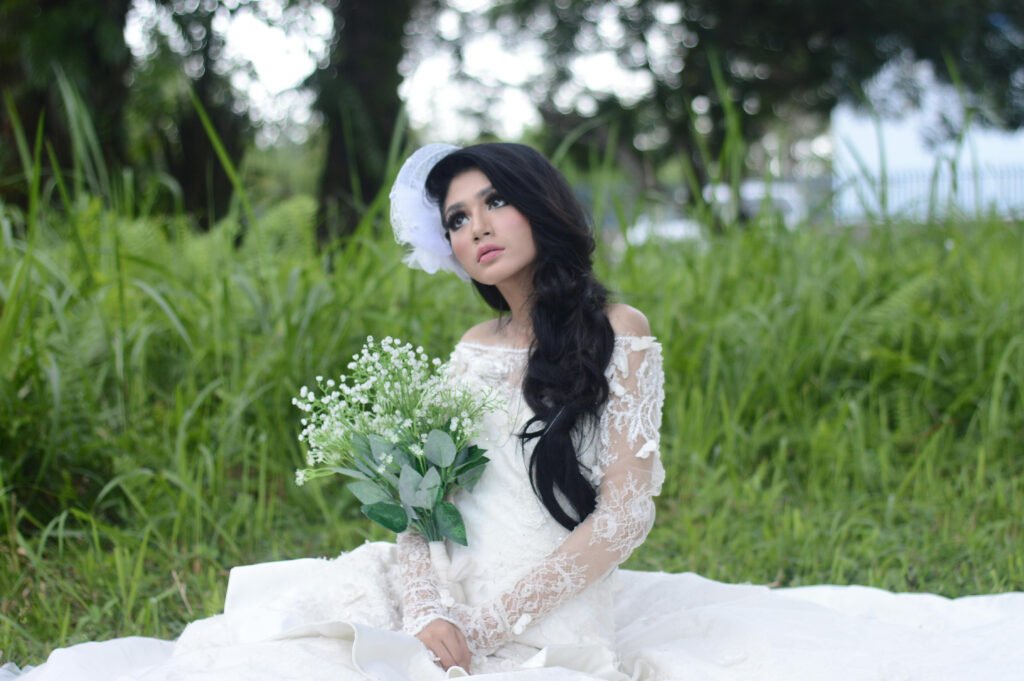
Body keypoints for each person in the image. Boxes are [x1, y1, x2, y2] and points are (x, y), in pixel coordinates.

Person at [6, 143, 1024, 681]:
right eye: (455, 218)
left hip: (549, 598)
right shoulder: (467, 352)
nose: (476, 226)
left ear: (538, 205)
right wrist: (436, 607)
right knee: (263, 657)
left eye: (493, 201)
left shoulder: (617, 328)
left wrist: (491, 622)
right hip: (452, 585)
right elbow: (420, 500)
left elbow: (624, 514)